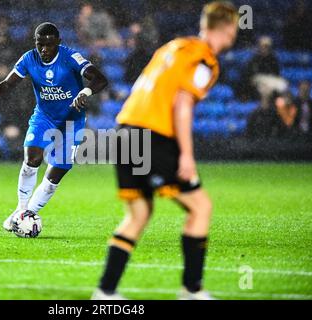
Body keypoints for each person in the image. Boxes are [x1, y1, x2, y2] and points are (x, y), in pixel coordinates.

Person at [92, 1, 239, 300]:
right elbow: (182, 106)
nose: (233, 38)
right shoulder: (204, 59)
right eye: (233, 30)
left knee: (139, 213)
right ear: (226, 28)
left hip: (124, 131)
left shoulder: (173, 47)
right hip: (152, 135)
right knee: (201, 207)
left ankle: (105, 292)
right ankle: (192, 290)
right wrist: (186, 155)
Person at [0, 22, 108, 232]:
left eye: (49, 45)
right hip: (44, 117)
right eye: (40, 45)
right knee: (33, 158)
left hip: (72, 121)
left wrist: (84, 93)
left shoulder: (70, 57)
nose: (44, 50)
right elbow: (9, 83)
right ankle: (21, 211)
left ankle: (27, 213)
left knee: (56, 174)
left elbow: (100, 79)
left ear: (58, 43)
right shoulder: (29, 58)